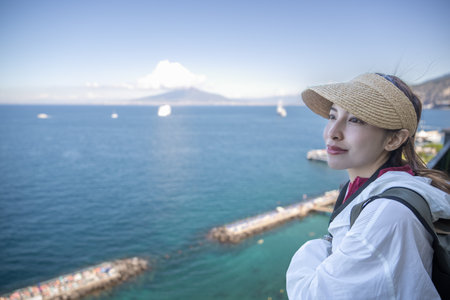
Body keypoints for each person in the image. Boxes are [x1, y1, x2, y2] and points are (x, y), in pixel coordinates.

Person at [286, 73, 450, 299]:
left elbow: (314, 295)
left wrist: (318, 246)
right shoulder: (365, 190)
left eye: (356, 120)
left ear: (393, 140)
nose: (332, 133)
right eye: (333, 116)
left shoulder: (387, 214)